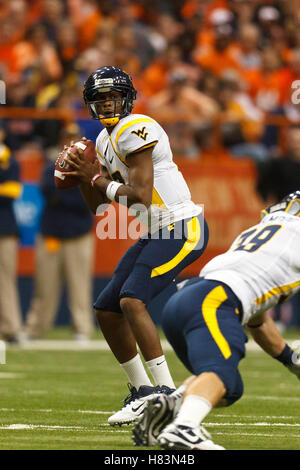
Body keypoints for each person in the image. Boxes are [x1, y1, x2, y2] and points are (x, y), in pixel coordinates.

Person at [63, 66, 208, 426]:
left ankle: (166, 394)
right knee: (107, 309)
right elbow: (98, 206)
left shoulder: (135, 128)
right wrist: (82, 175)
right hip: (157, 231)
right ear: (90, 106)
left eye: (113, 97)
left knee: (131, 300)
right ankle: (143, 393)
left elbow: (140, 198)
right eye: (100, 99)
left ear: (127, 98)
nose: (108, 104)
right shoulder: (102, 141)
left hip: (182, 225)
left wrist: (94, 176)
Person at [132, 191, 300, 450]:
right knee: (221, 373)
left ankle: (169, 407)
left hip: (186, 300)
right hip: (213, 302)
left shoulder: (269, 233)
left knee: (228, 386)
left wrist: (290, 359)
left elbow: (257, 321)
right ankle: (184, 429)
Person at [25, 124, 95, 341]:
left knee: (80, 286)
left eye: (75, 138)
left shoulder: (90, 167)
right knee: (44, 286)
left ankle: (82, 328)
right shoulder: (51, 165)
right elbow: (48, 190)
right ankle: (36, 328)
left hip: (79, 235)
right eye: (68, 137)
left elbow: (87, 200)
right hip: (52, 235)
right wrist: (71, 193)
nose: (72, 142)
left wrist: (63, 195)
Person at [0, 130, 23, 343]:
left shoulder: (10, 161)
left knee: (5, 279)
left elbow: (11, 192)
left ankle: (10, 327)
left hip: (4, 229)